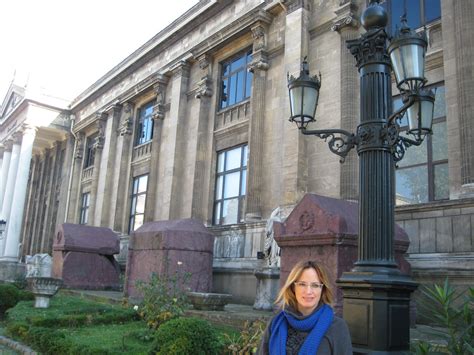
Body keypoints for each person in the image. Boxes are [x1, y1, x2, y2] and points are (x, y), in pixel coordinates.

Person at [258, 260, 353, 355]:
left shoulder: (337, 327)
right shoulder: (276, 323)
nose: (308, 291)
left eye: (315, 285)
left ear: (322, 290)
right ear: (293, 287)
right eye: (302, 284)